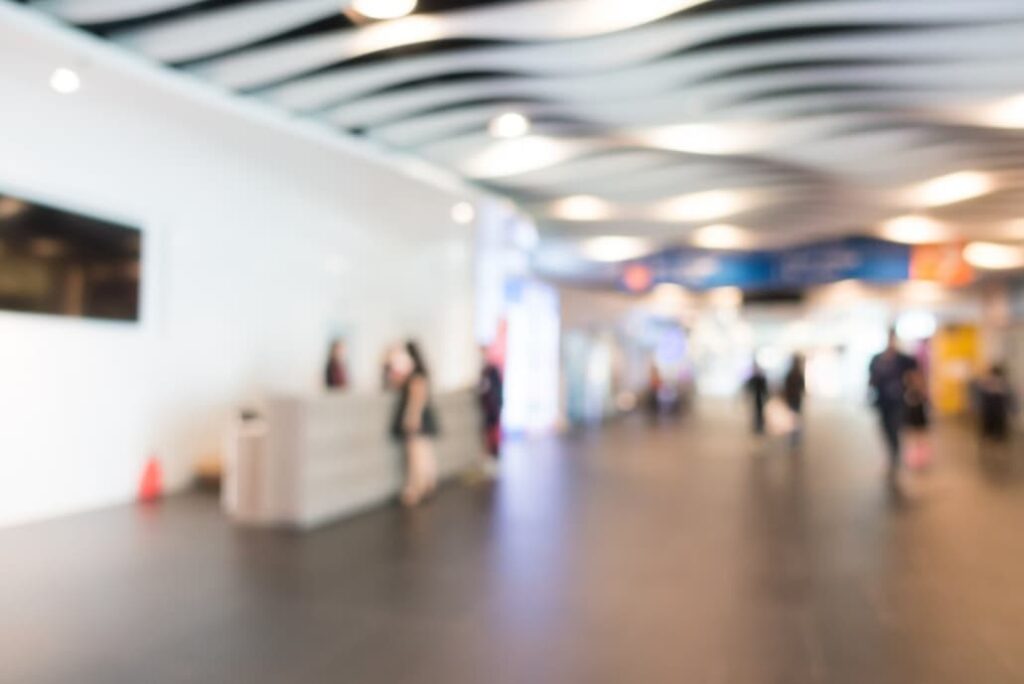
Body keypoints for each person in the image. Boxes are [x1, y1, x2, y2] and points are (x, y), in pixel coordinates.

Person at [390, 341, 440, 506]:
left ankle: (415, 490)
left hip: (417, 419)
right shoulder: (418, 373)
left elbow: (416, 399)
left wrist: (412, 418)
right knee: (425, 453)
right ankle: (426, 485)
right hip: (423, 419)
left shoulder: (416, 376)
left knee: (415, 456)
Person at [869, 329, 919, 476]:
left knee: (895, 427)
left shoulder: (904, 359)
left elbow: (913, 375)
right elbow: (871, 380)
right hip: (883, 402)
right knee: (885, 429)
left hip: (898, 401)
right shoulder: (877, 359)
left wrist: (916, 392)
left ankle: (895, 457)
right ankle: (893, 454)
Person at [973, 364, 1017, 444]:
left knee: (993, 420)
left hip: (993, 404)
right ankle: (995, 435)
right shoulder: (1001, 381)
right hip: (995, 404)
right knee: (995, 420)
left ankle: (993, 435)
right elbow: (1008, 396)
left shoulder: (998, 381)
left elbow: (1008, 395)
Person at [478, 347, 503, 475]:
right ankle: (492, 459)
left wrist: (497, 405)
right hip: (488, 408)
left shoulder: (492, 370)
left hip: (493, 408)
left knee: (494, 434)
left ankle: (496, 458)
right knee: (488, 434)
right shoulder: (484, 371)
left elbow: (496, 390)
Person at [903, 368, 931, 469]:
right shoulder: (906, 390)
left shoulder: (921, 391)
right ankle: (914, 460)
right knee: (913, 441)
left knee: (921, 440)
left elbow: (926, 402)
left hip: (920, 418)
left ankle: (922, 459)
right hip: (911, 419)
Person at [783, 354, 806, 451]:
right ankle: (795, 435)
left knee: (794, 417)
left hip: (792, 399)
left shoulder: (790, 374)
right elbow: (802, 388)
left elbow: (787, 387)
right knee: (795, 417)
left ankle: (794, 435)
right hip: (795, 399)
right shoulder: (797, 374)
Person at [745, 361, 769, 436]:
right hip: (757, 397)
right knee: (757, 412)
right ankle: (758, 426)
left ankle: (760, 426)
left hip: (760, 397)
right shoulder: (755, 378)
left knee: (760, 413)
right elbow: (749, 386)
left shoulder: (760, 378)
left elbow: (765, 388)